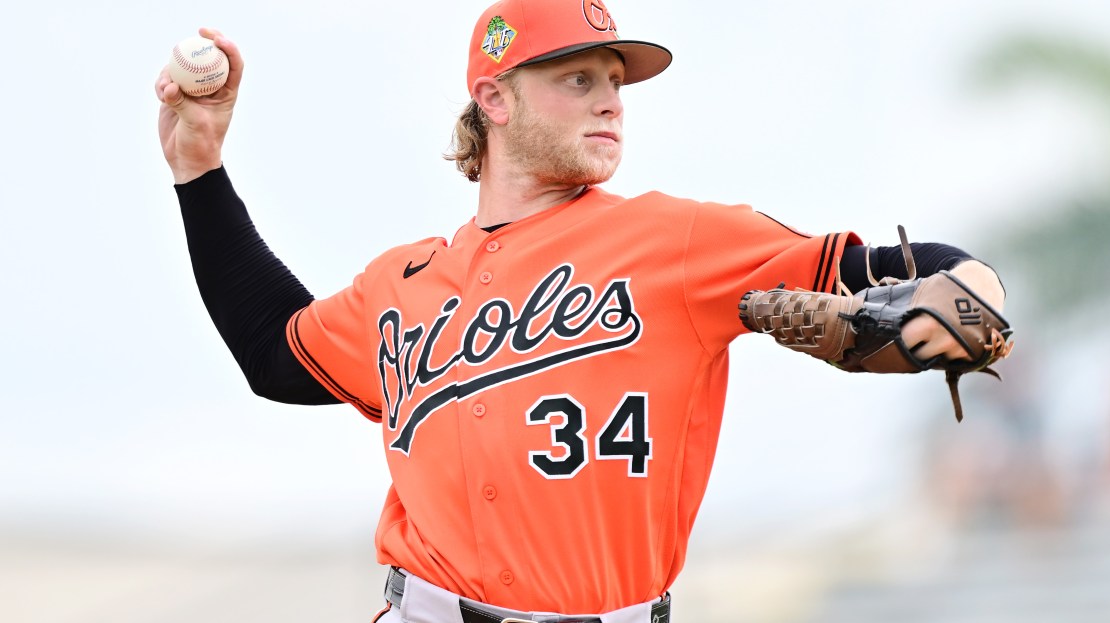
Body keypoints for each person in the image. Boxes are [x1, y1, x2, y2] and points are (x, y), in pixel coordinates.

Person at [155, 1, 1007, 621]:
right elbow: (274, 351)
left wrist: (976, 295)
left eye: (614, 81)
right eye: (578, 79)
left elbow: (894, 269)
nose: (612, 99)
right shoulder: (401, 284)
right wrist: (199, 166)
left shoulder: (675, 239)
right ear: (494, 98)